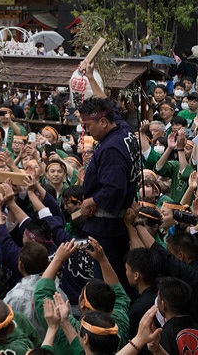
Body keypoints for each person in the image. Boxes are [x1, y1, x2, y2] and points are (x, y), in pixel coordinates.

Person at [79, 59, 140, 281]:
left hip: (108, 225)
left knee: (108, 278)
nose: (87, 130)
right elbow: (107, 103)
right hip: (114, 222)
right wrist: (90, 76)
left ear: (103, 122)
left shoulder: (112, 148)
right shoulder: (122, 128)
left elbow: (114, 188)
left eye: (89, 126)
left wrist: (90, 202)